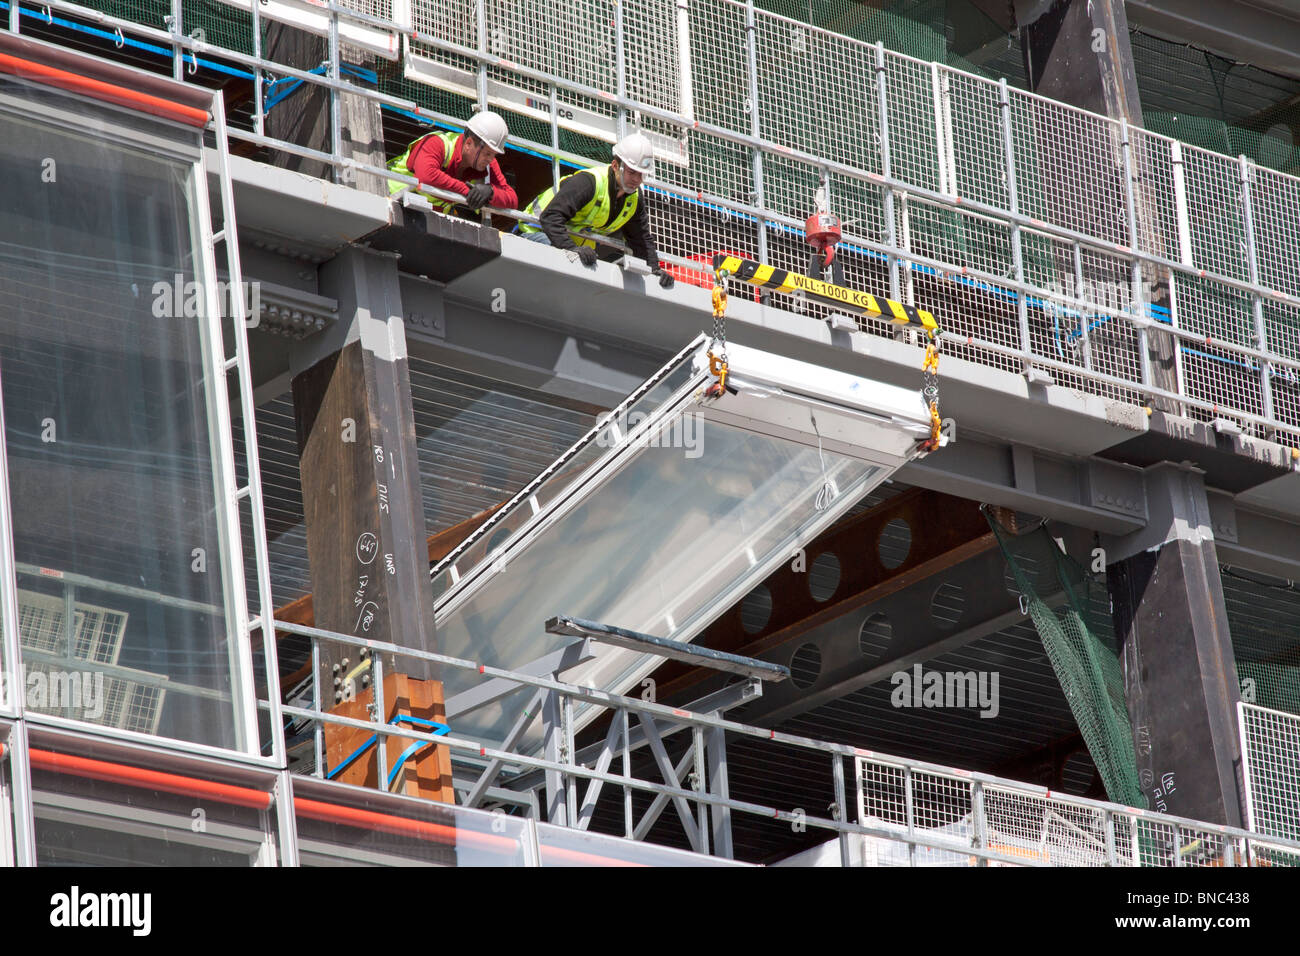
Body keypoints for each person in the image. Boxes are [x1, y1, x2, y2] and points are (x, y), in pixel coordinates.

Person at [518, 131, 675, 289]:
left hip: (571, 248)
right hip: (534, 233)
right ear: (615, 166)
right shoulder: (589, 182)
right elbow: (550, 217)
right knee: (568, 264)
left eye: (642, 174)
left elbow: (640, 239)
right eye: (632, 172)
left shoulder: (634, 199)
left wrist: (655, 271)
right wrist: (572, 248)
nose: (636, 179)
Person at [388, 111, 518, 214]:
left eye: (494, 155)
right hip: (388, 198)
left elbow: (512, 200)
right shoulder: (437, 143)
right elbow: (426, 175)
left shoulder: (488, 163)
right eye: (487, 153)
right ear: (468, 143)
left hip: (425, 216)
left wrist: (490, 192)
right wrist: (468, 191)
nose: (490, 159)